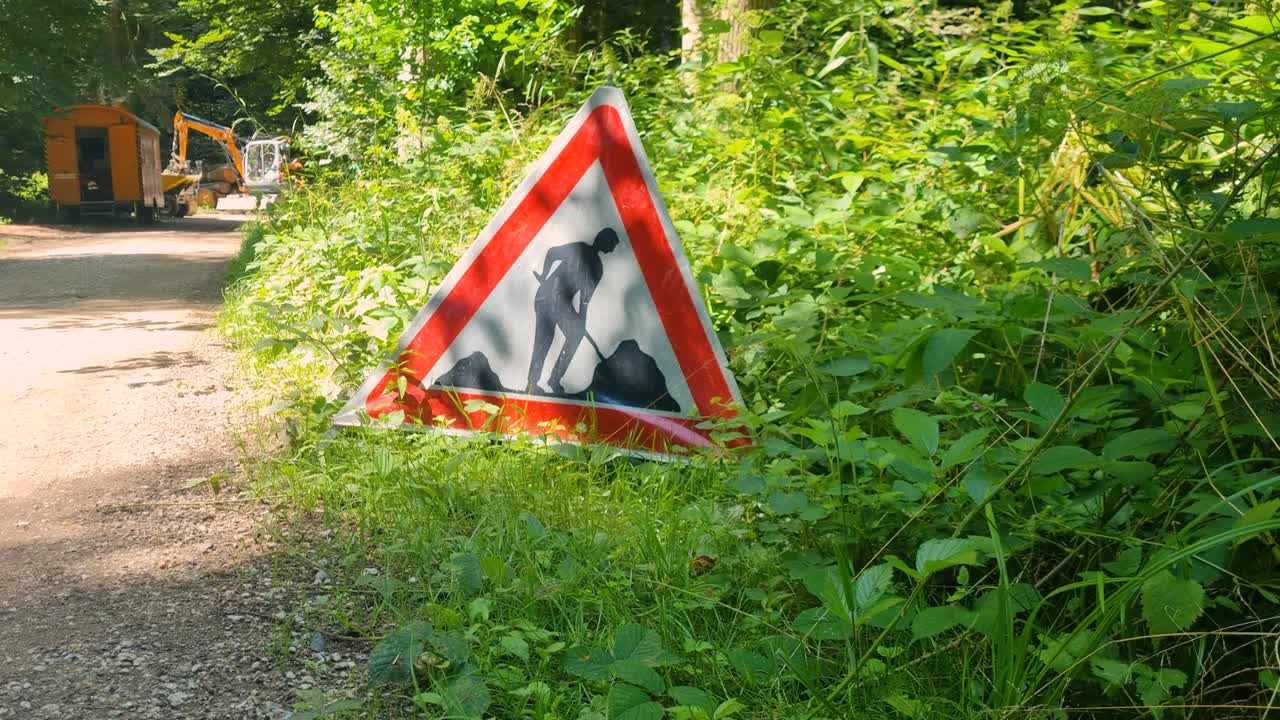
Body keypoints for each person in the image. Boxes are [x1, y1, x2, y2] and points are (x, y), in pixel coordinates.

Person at [526, 228, 621, 394]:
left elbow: (584, 299)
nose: (612, 249)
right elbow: (552, 253)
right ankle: (542, 381)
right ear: (605, 242)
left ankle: (543, 381)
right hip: (551, 298)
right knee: (547, 338)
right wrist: (580, 322)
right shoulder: (594, 264)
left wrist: (544, 276)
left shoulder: (589, 258)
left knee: (554, 337)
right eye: (612, 245)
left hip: (551, 298)